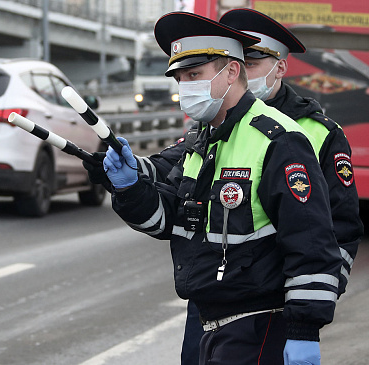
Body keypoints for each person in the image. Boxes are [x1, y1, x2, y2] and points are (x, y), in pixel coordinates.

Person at [101, 12, 343, 365]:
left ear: (231, 71)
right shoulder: (203, 139)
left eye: (195, 75)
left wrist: (304, 329)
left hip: (258, 324)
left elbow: (310, 239)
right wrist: (130, 189)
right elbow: (173, 222)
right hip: (211, 323)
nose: (186, 87)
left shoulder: (278, 140)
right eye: (181, 78)